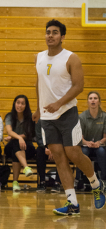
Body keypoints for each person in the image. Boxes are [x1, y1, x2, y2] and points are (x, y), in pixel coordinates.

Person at [32, 19, 105, 216]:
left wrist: (59, 103)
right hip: (47, 116)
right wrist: (39, 108)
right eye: (48, 32)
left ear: (62, 36)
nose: (50, 35)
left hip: (67, 113)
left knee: (73, 153)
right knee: (58, 157)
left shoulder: (71, 58)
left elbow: (78, 86)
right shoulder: (38, 57)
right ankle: (72, 203)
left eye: (55, 32)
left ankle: (96, 185)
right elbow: (39, 83)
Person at [4, 95, 36, 192]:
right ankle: (26, 167)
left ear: (26, 106)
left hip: (28, 147)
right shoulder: (9, 116)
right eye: (18, 103)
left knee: (15, 148)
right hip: (11, 147)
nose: (20, 105)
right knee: (15, 144)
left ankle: (15, 183)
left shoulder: (31, 117)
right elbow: (9, 131)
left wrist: (15, 137)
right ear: (14, 104)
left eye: (22, 103)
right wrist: (18, 137)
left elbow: (29, 134)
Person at [75, 91, 106, 190]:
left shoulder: (104, 116)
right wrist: (87, 143)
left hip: (100, 145)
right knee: (82, 153)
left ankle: (103, 180)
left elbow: (105, 137)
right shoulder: (82, 117)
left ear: (99, 102)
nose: (93, 100)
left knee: (101, 152)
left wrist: (99, 142)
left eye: (95, 98)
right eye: (91, 98)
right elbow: (80, 137)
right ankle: (78, 180)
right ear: (88, 101)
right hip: (85, 145)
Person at [35, 118, 61, 193]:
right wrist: (46, 147)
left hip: (57, 147)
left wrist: (53, 149)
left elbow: (61, 137)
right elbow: (39, 138)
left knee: (61, 154)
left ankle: (57, 183)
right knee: (39, 151)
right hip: (45, 148)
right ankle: (42, 182)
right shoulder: (40, 121)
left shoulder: (60, 120)